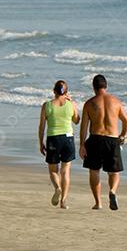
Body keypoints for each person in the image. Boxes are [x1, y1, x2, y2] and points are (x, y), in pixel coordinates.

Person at [79, 74, 127, 210]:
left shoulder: (89, 103)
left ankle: (98, 203)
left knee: (94, 171)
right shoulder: (116, 101)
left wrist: (82, 145)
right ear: (106, 86)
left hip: (95, 139)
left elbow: (84, 127)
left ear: (93, 88)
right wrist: (122, 135)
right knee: (114, 172)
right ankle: (112, 191)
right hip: (112, 139)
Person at [37, 80, 79, 209]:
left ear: (54, 91)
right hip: (68, 139)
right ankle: (63, 201)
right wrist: (72, 103)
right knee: (65, 171)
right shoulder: (71, 104)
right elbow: (77, 120)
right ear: (66, 92)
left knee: (53, 170)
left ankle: (57, 188)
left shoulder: (47, 105)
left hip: (53, 139)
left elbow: (42, 127)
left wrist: (41, 142)